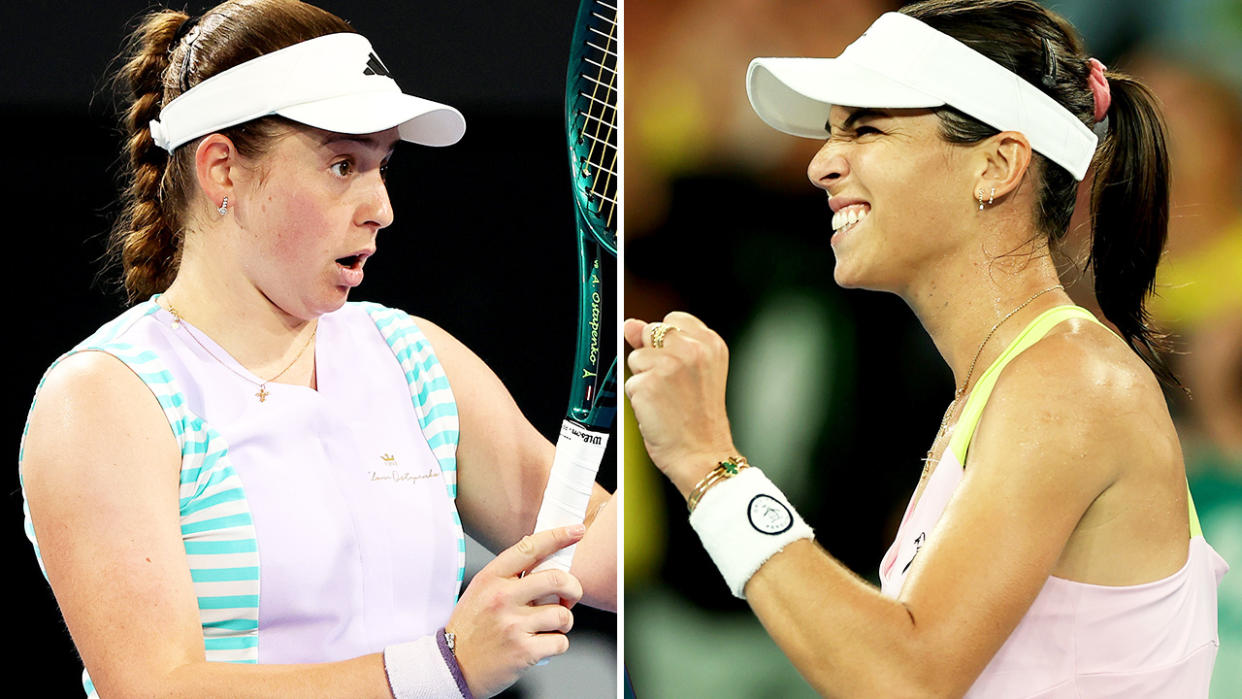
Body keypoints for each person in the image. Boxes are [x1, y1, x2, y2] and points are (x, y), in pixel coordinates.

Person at [624, 1, 1226, 696]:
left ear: (997, 165)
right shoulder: (1010, 385)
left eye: (867, 127)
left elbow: (903, 676)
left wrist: (710, 462)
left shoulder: (1072, 383)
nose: (822, 162)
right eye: (829, 132)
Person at [18, 1, 616, 697]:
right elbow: (153, 685)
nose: (381, 206)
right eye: (341, 165)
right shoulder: (103, 398)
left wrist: (704, 462)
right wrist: (442, 665)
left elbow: (596, 551)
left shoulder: (414, 358)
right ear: (224, 172)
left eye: (382, 164)